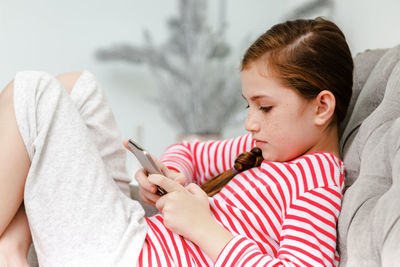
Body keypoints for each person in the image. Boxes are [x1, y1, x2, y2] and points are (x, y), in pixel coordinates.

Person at [0, 17, 353, 266]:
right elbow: (188, 151)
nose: (250, 123)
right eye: (249, 105)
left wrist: (202, 227)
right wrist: (173, 175)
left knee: (33, 91)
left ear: (321, 106)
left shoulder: (316, 184)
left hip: (127, 257)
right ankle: (12, 250)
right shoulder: (265, 150)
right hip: (136, 235)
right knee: (78, 87)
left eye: (265, 107)